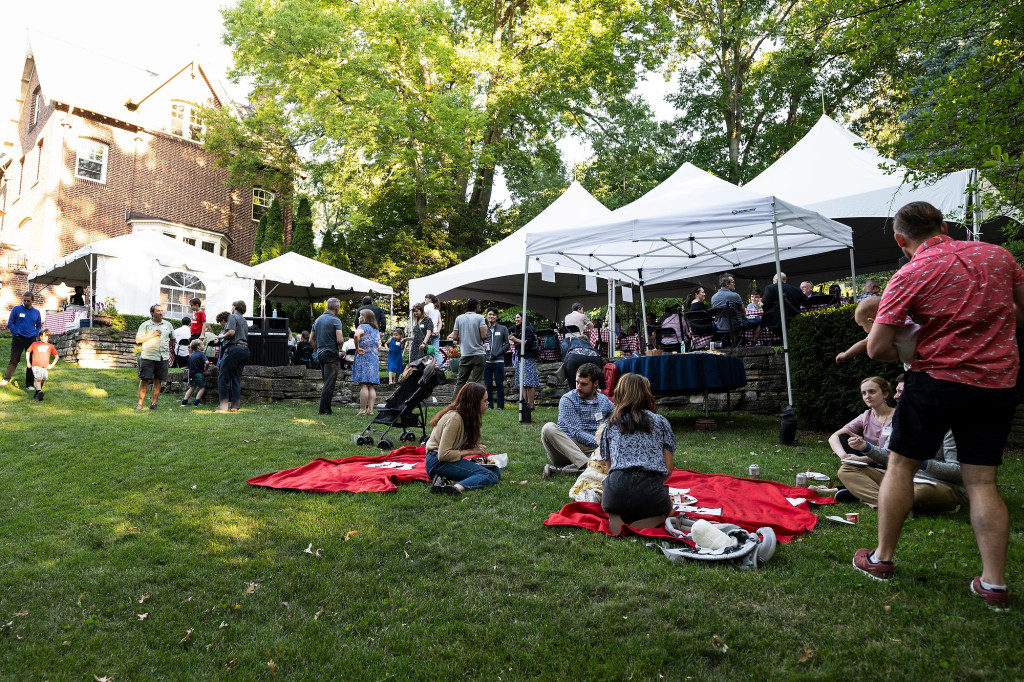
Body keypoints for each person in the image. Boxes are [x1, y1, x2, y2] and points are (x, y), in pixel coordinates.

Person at [853, 201, 1024, 611]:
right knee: (982, 481)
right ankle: (994, 584)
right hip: (997, 382)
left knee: (900, 465)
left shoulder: (908, 274)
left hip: (935, 382)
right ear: (944, 226)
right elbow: (1021, 311)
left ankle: (881, 559)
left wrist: (913, 347)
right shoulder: (999, 256)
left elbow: (877, 348)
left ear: (900, 239)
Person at [832, 377, 965, 511]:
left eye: (901, 392)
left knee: (920, 494)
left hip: (937, 485)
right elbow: (888, 456)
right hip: (902, 480)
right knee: (847, 470)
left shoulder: (948, 427)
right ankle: (890, 504)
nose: (895, 396)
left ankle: (869, 496)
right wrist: (866, 447)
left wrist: (921, 463)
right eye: (896, 391)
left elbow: (958, 472)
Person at [598, 373, 676, 534]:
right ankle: (651, 517)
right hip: (649, 490)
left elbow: (609, 468)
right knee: (669, 510)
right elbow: (668, 470)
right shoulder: (661, 422)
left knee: (614, 494)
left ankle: (616, 515)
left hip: (615, 490)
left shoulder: (609, 426)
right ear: (646, 394)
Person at [424, 382, 500, 495]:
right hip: (437, 462)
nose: (487, 403)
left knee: (494, 470)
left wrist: (472, 446)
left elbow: (454, 444)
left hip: (443, 461)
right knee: (487, 475)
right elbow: (443, 455)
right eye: (484, 401)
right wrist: (471, 451)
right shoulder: (454, 419)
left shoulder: (464, 417)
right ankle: (456, 488)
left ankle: (443, 479)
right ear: (474, 403)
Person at [541, 363, 614, 478]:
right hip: (566, 448)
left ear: (595, 384)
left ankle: (563, 470)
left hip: (592, 449)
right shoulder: (568, 400)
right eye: (577, 382)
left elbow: (617, 420)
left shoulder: (604, 402)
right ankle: (589, 466)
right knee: (548, 428)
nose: (579, 387)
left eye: (584, 384)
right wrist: (602, 444)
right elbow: (577, 433)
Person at [827, 376, 895, 474]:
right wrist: (844, 457)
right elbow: (833, 437)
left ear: (885, 394)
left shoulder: (898, 417)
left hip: (890, 464)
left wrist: (862, 459)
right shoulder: (866, 416)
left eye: (872, 392)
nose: (867, 396)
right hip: (868, 461)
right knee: (843, 436)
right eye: (864, 393)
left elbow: (892, 454)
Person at [835, 296, 919, 368]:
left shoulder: (881, 331)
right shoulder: (903, 317)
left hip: (917, 362)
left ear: (872, 321)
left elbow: (863, 344)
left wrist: (845, 354)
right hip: (927, 345)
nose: (864, 330)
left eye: (862, 326)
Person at [135, 303, 175, 410]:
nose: (161, 312)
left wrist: (166, 346)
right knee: (145, 379)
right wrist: (152, 335)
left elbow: (173, 339)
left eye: (162, 311)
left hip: (163, 357)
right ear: (152, 313)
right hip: (148, 356)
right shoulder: (145, 325)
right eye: (158, 311)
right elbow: (138, 340)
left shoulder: (168, 325)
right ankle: (140, 404)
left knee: (158, 380)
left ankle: (153, 404)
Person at [215, 300, 251, 413]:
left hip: (233, 349)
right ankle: (235, 406)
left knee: (223, 378)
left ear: (235, 307)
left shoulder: (232, 317)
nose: (231, 309)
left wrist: (221, 336)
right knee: (236, 378)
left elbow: (231, 332)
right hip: (244, 350)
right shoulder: (244, 320)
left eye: (232, 306)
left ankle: (223, 407)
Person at [311, 297, 345, 415]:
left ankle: (326, 408)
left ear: (326, 307)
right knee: (329, 383)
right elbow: (340, 340)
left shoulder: (318, 320)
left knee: (326, 381)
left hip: (320, 353)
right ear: (337, 308)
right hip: (331, 353)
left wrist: (319, 348)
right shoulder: (335, 320)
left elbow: (311, 339)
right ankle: (324, 410)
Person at [2, 292, 43, 387]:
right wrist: (16, 333)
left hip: (31, 339)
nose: (25, 302)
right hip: (18, 338)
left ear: (33, 301)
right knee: (14, 360)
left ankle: (29, 384)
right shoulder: (16, 309)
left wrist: (35, 333)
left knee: (32, 361)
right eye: (24, 300)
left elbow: (39, 325)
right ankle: (6, 379)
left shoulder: (36, 312)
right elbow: (10, 323)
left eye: (28, 301)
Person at [450, 298, 488, 390]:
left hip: (465, 354)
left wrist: (464, 337)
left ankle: (455, 403)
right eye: (479, 306)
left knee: (460, 382)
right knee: (477, 383)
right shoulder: (480, 317)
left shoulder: (459, 318)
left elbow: (454, 337)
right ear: (476, 307)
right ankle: (475, 404)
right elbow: (484, 336)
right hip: (479, 353)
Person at [710, 272, 756, 346]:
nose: (734, 284)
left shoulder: (713, 297)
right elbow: (743, 312)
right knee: (758, 320)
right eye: (733, 282)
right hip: (736, 325)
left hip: (720, 326)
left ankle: (736, 342)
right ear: (727, 284)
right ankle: (753, 343)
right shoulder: (735, 296)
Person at [353, 308, 382, 415]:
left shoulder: (362, 326)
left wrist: (357, 347)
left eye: (361, 316)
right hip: (373, 359)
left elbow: (356, 335)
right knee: (371, 386)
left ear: (365, 317)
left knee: (364, 385)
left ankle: (362, 410)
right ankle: (370, 410)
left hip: (363, 357)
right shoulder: (375, 330)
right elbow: (379, 345)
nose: (359, 317)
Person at [509, 312, 539, 409]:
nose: (516, 319)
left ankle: (531, 405)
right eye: (515, 318)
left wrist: (515, 339)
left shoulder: (527, 329)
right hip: (521, 359)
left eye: (518, 317)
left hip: (528, 358)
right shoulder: (521, 329)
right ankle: (526, 404)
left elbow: (528, 343)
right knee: (523, 383)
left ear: (523, 318)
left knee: (529, 383)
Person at [481, 307, 510, 409]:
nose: (491, 316)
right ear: (487, 316)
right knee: (487, 384)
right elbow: (480, 342)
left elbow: (507, 345)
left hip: (499, 361)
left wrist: (497, 353)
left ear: (496, 317)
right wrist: (483, 346)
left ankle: (500, 406)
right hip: (487, 361)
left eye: (493, 315)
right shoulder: (483, 328)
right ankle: (490, 405)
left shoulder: (503, 329)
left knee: (499, 383)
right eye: (489, 314)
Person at [27, 328, 58, 401]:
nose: (43, 337)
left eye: (45, 336)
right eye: (41, 336)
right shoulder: (34, 344)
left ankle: (37, 393)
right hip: (36, 365)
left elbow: (56, 356)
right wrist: (28, 362)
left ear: (48, 337)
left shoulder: (50, 346)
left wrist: (51, 365)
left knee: (43, 380)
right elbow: (28, 352)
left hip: (45, 366)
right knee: (38, 378)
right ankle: (39, 392)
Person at [180, 339, 209, 406]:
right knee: (202, 387)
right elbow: (207, 362)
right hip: (198, 373)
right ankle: (196, 402)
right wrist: (206, 369)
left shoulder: (191, 355)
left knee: (192, 387)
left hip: (191, 374)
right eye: (202, 344)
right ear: (198, 347)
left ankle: (184, 401)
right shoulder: (201, 354)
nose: (203, 345)